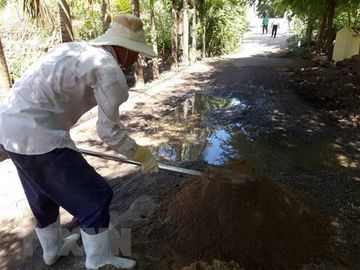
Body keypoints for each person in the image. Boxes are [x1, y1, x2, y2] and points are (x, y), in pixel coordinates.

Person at [0, 13, 159, 269]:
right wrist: (141, 154)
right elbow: (108, 132)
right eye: (136, 52)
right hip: (37, 135)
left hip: (8, 127)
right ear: (124, 49)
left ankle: (52, 250)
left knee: (42, 193)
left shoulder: (74, 48)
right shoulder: (109, 71)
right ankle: (99, 260)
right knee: (96, 196)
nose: (137, 59)